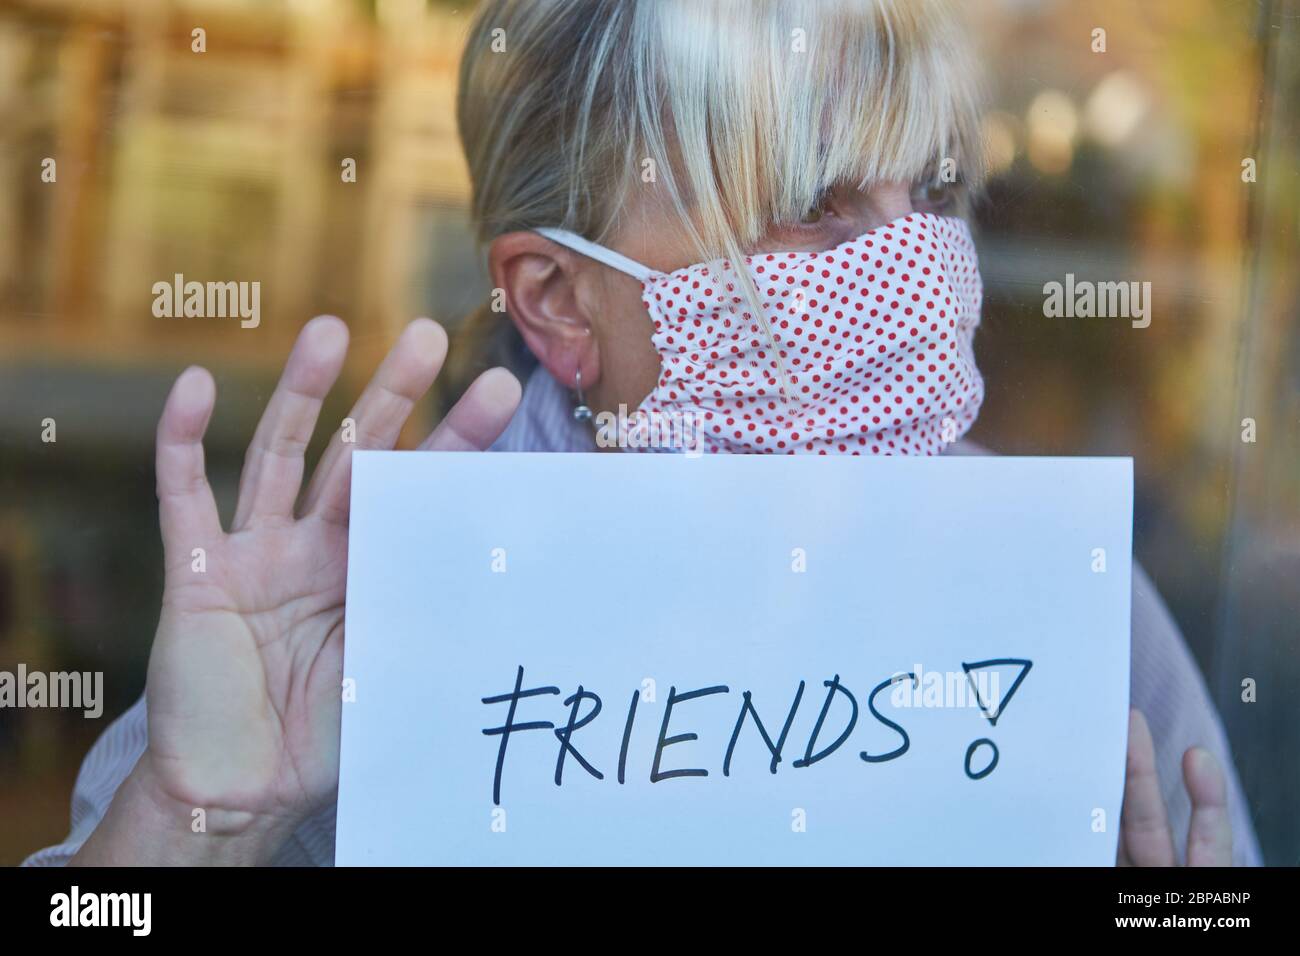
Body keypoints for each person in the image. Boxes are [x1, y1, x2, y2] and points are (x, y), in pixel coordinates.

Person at [25, 0, 1259, 866]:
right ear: (560, 298)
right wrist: (192, 824)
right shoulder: (350, 628)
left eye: (930, 189)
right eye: (814, 201)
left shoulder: (1052, 588)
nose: (914, 258)